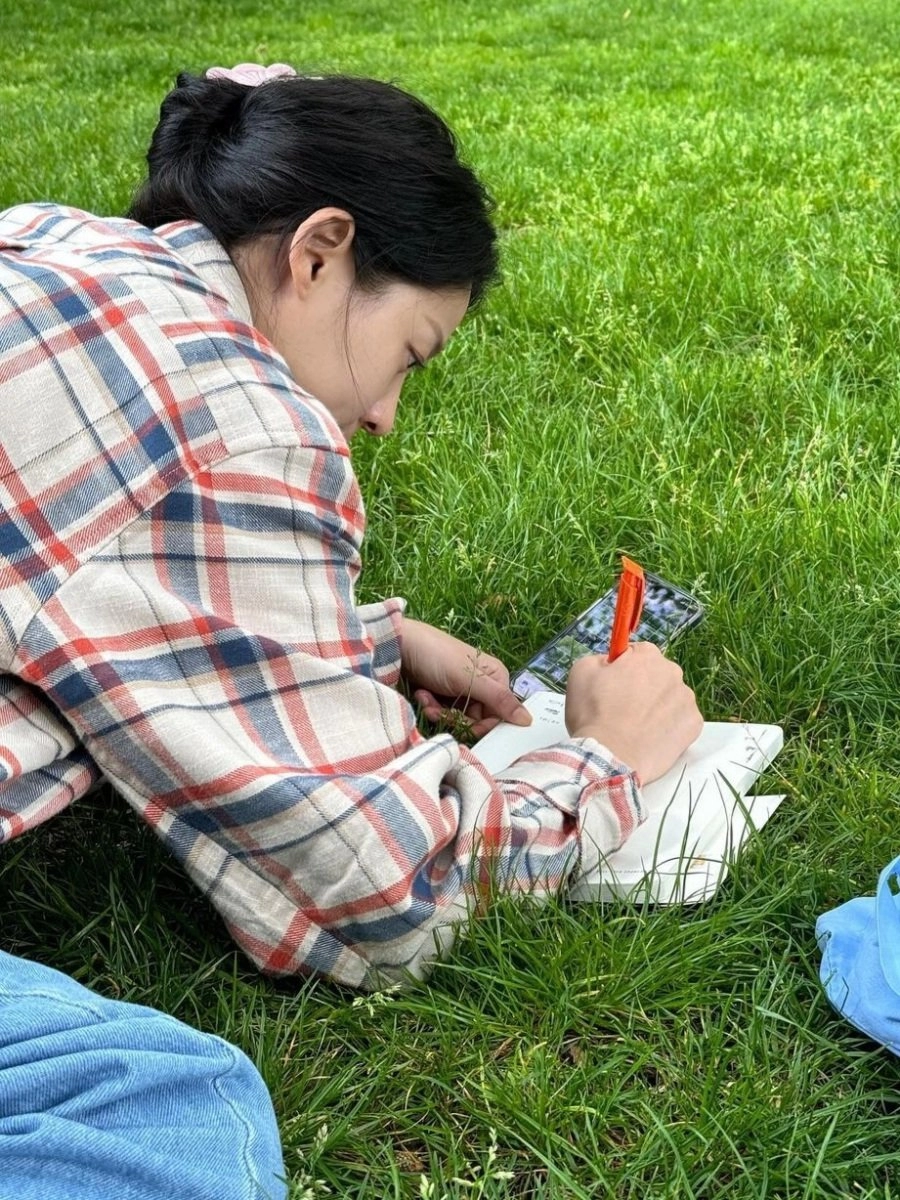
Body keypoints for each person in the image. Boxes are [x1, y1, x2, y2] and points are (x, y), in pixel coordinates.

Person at [0, 63, 702, 986]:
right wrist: (604, 760)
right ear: (320, 250)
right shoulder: (248, 426)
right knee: (184, 1108)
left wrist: (363, 643)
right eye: (411, 352)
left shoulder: (51, 236)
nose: (384, 415)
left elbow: (87, 569)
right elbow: (389, 893)